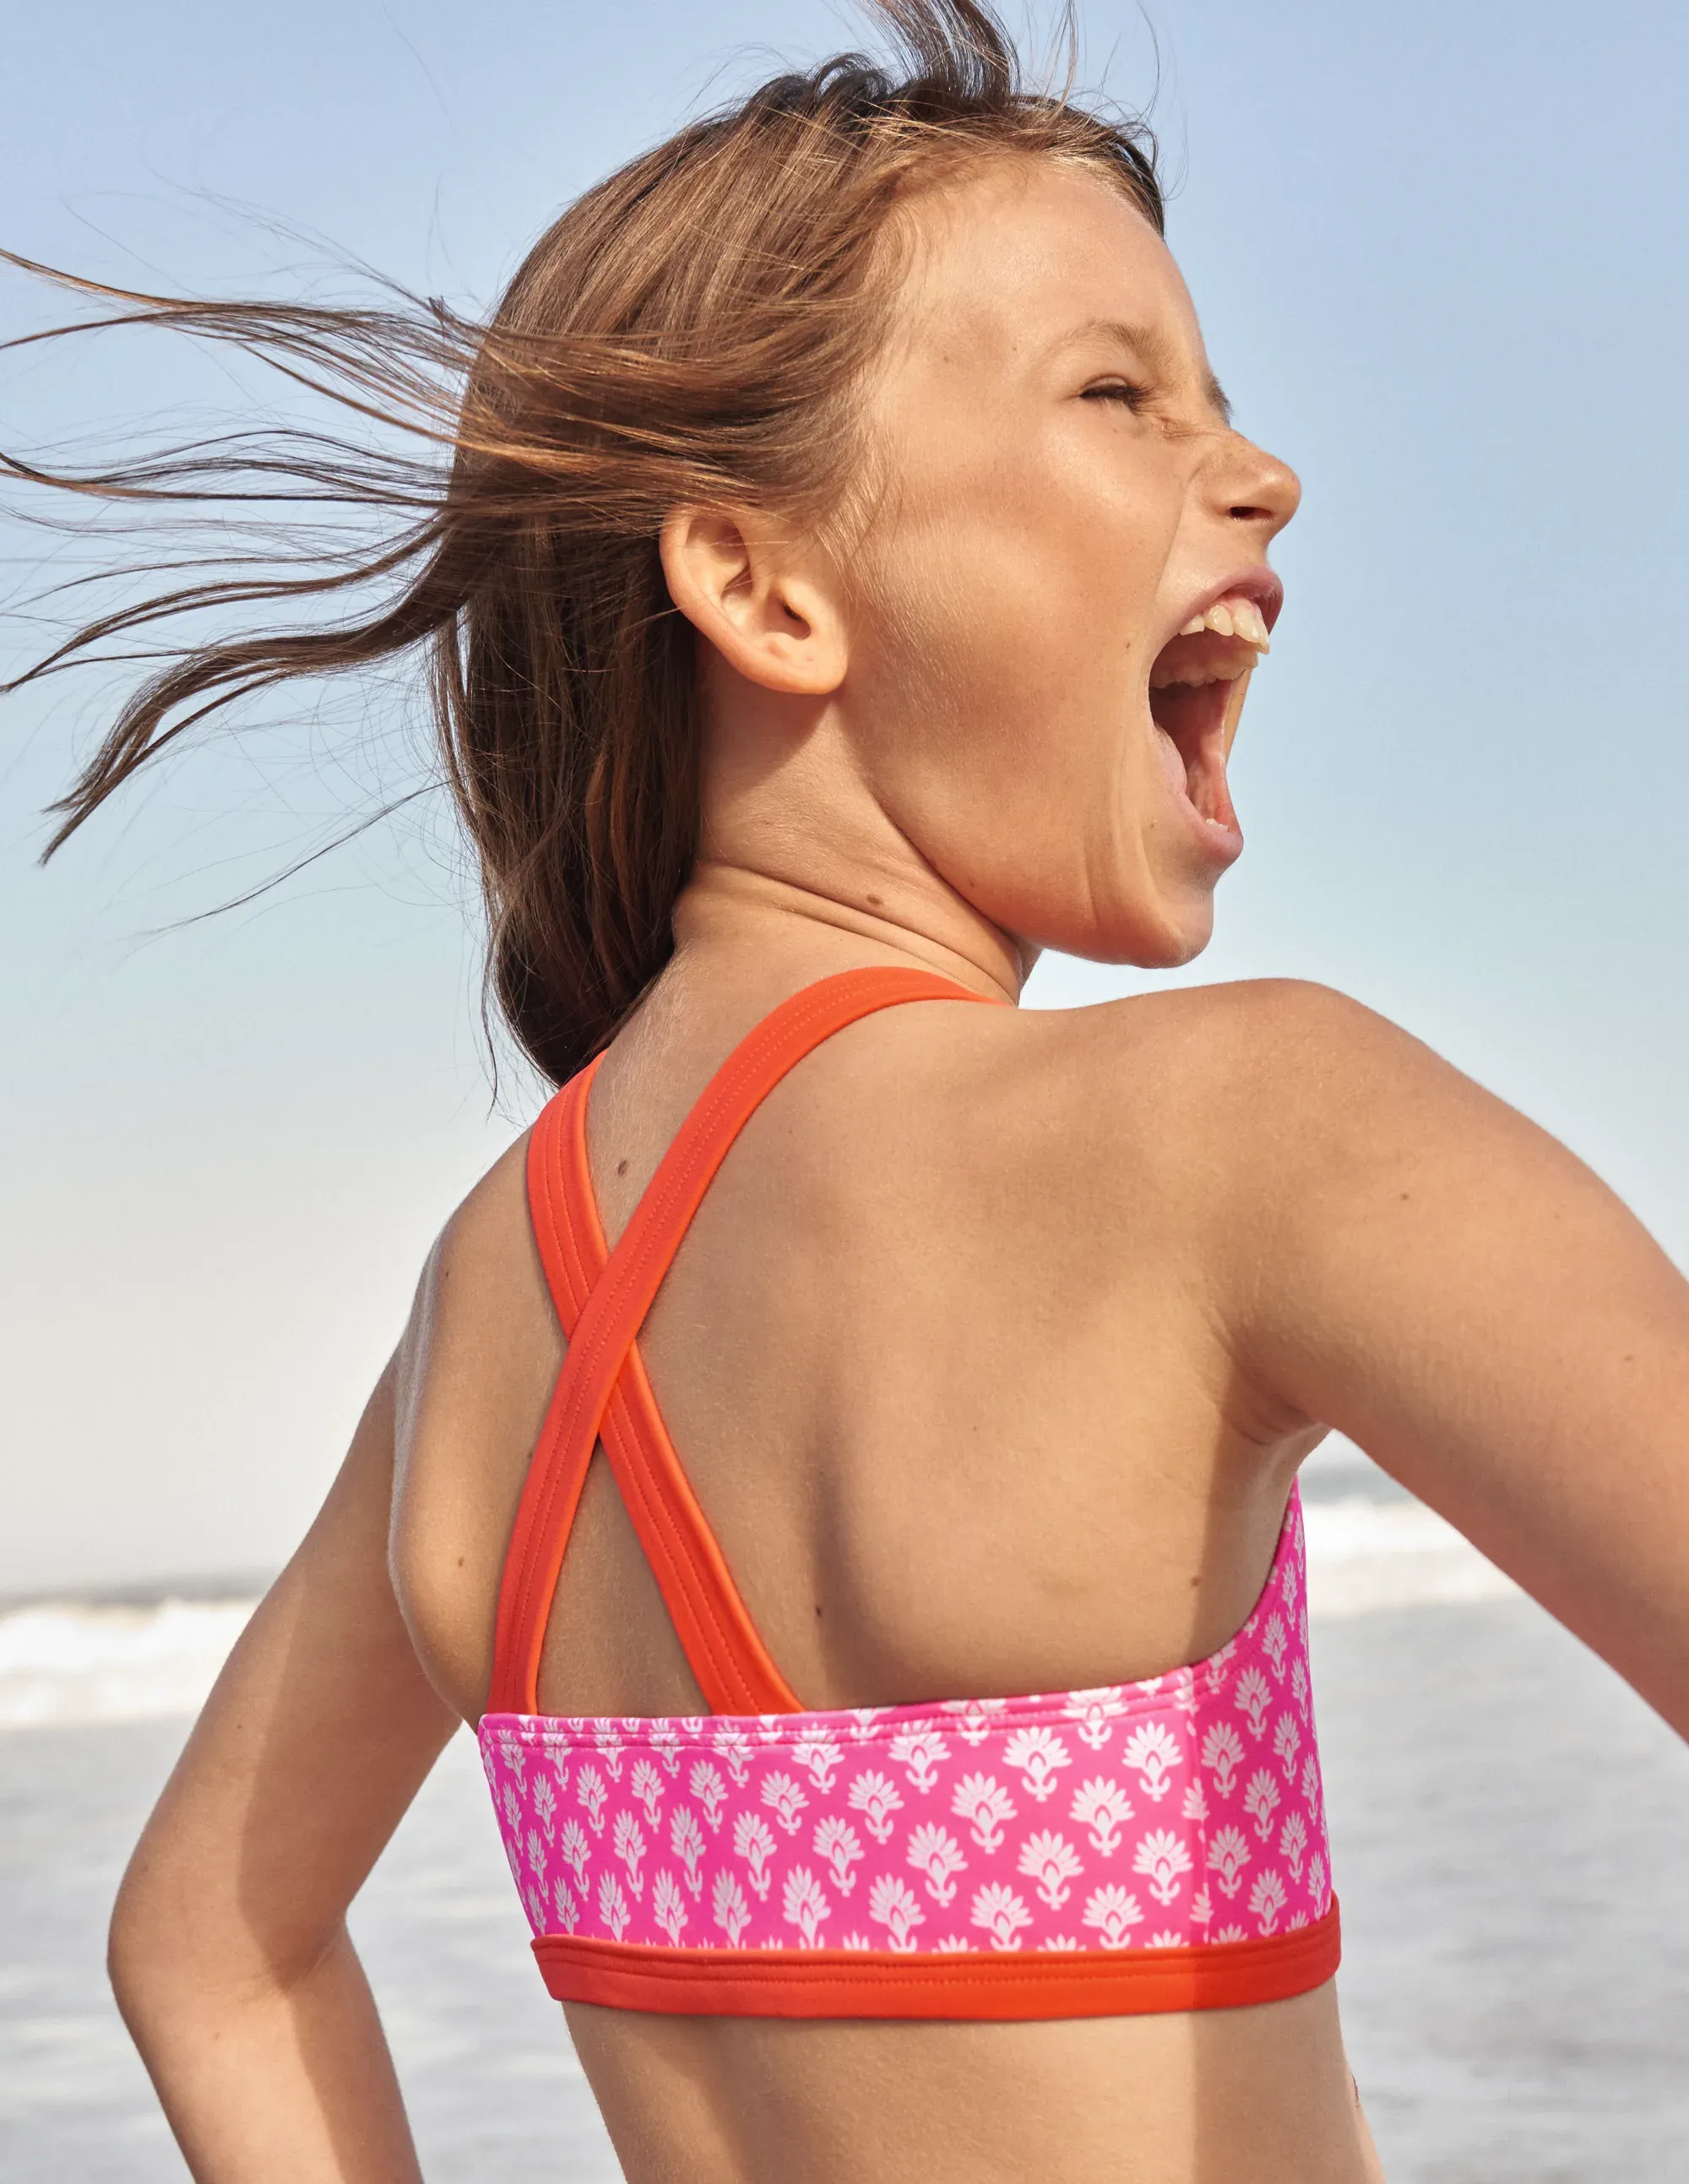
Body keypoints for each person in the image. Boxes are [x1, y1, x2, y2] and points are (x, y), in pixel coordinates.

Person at [12, 3, 1686, 2179]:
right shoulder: (1249, 1127)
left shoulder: (482, 1318)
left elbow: (209, 1947)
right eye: (1118, 393)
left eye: (1225, 404)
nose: (1263, 472)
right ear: (765, 585)